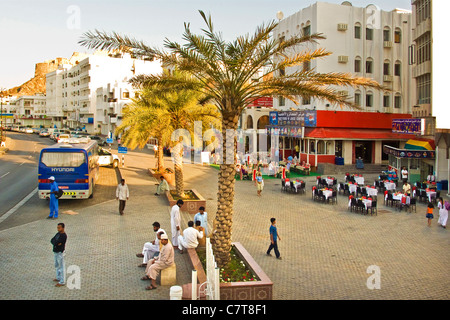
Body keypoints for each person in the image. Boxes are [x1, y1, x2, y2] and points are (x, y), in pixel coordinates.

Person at [50, 223, 67, 287]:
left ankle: (62, 281)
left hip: (60, 253)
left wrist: (56, 243)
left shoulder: (63, 236)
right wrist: (56, 243)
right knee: (57, 265)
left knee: (62, 267)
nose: (58, 229)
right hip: (56, 252)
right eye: (57, 227)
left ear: (63, 228)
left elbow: (56, 242)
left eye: (59, 228)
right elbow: (52, 240)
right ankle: (58, 277)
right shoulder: (58, 234)